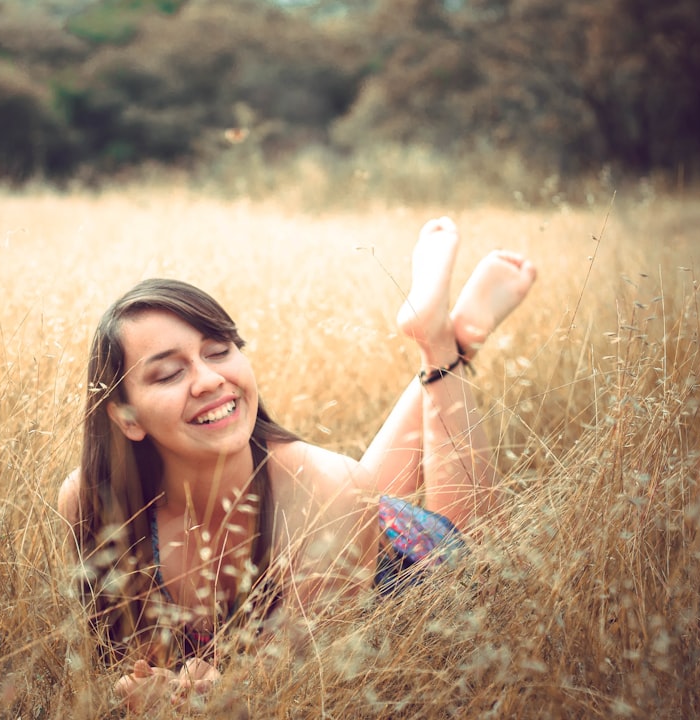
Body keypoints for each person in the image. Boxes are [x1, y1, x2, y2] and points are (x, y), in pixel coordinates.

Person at [58, 217, 537, 711]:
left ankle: (439, 346)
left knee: (485, 563)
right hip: (336, 520)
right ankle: (449, 335)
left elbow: (306, 690)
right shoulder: (95, 500)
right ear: (127, 418)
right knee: (340, 492)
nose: (207, 380)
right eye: (169, 374)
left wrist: (206, 698)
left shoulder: (328, 486)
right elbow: (122, 656)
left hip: (413, 562)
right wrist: (160, 687)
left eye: (219, 351)